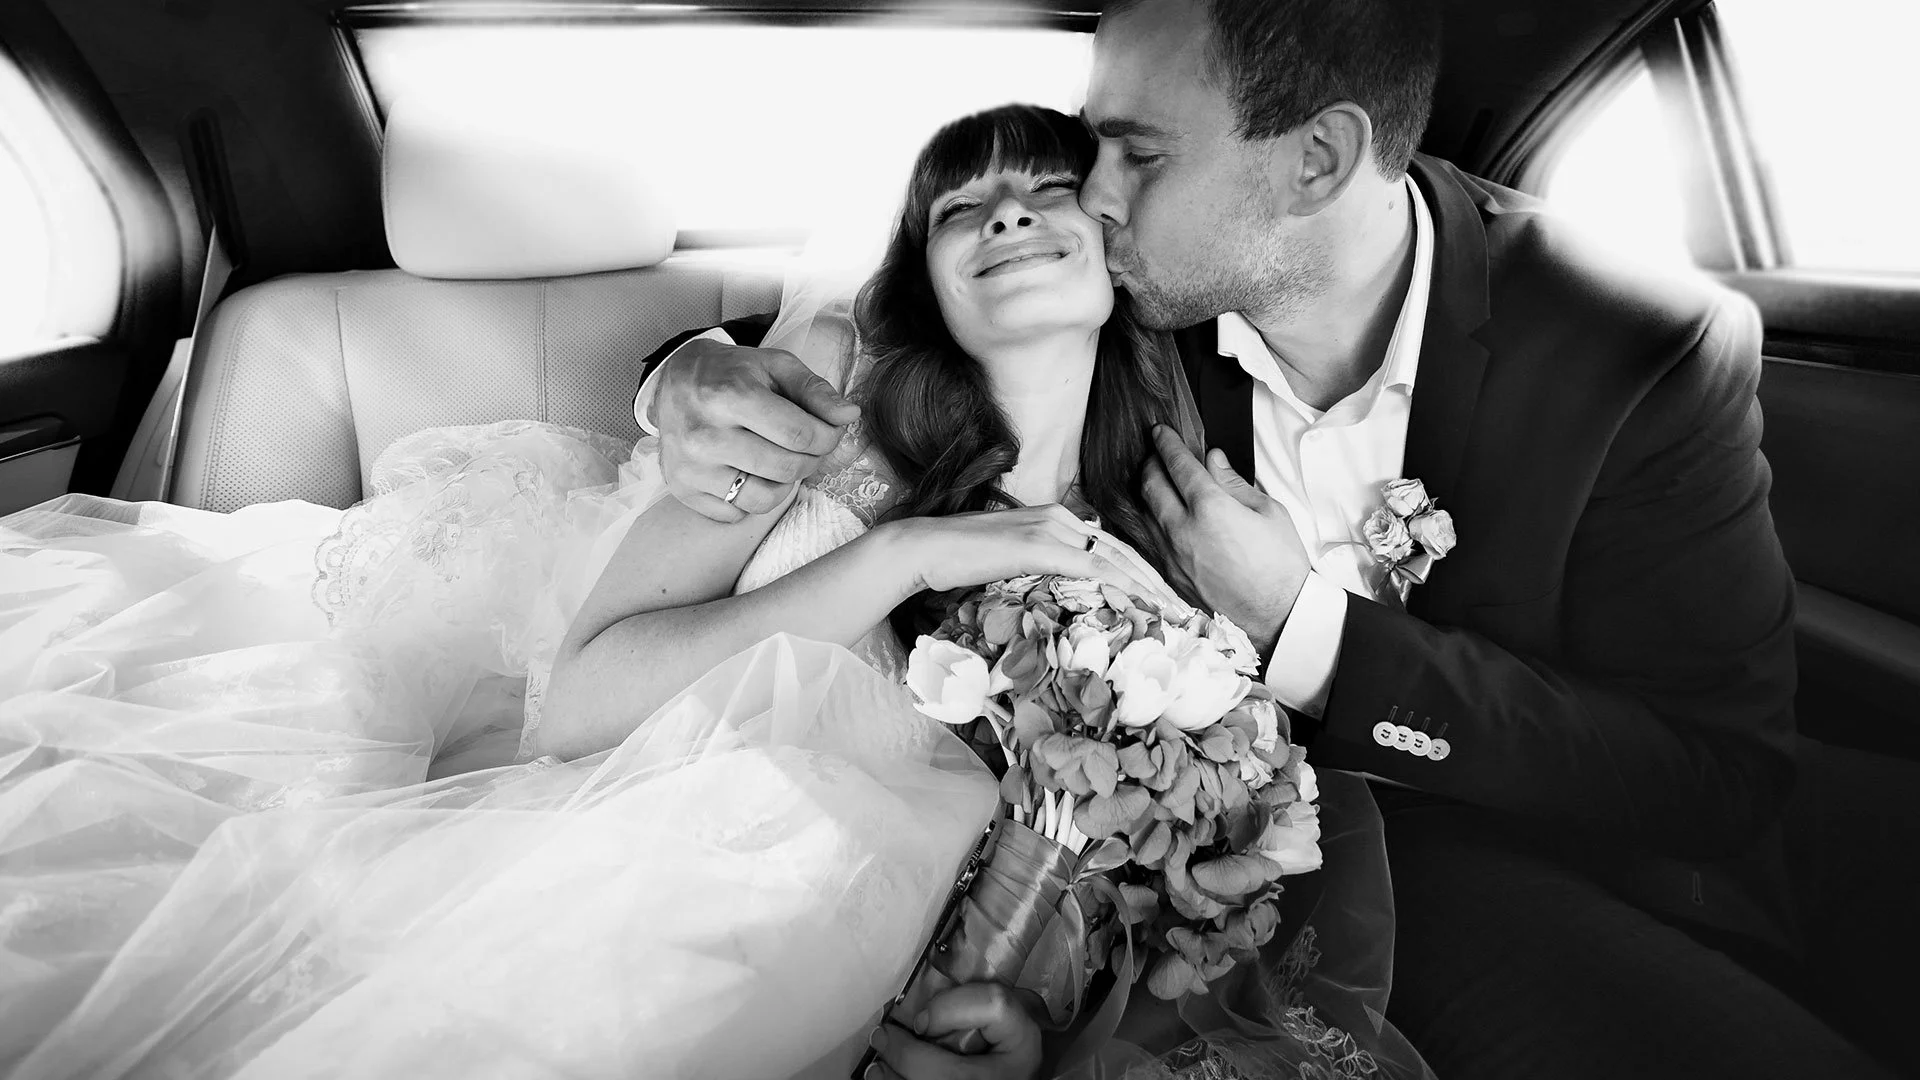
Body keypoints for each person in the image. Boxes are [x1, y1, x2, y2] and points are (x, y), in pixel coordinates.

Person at [0, 104, 1423, 1080]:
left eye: (1051, 193)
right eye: (964, 207)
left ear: (1121, 256)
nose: (1012, 220)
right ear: (919, 275)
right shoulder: (794, 430)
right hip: (646, 861)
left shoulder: (1183, 532)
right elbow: (574, 710)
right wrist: (909, 558)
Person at [632, 1, 1901, 1077]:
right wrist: (681, 376)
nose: (1094, 197)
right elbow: (850, 352)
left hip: (1517, 858)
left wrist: (1310, 633)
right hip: (1170, 884)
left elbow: (1714, 777)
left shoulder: (1636, 347)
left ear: (1317, 159)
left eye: (1136, 154)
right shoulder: (1122, 301)